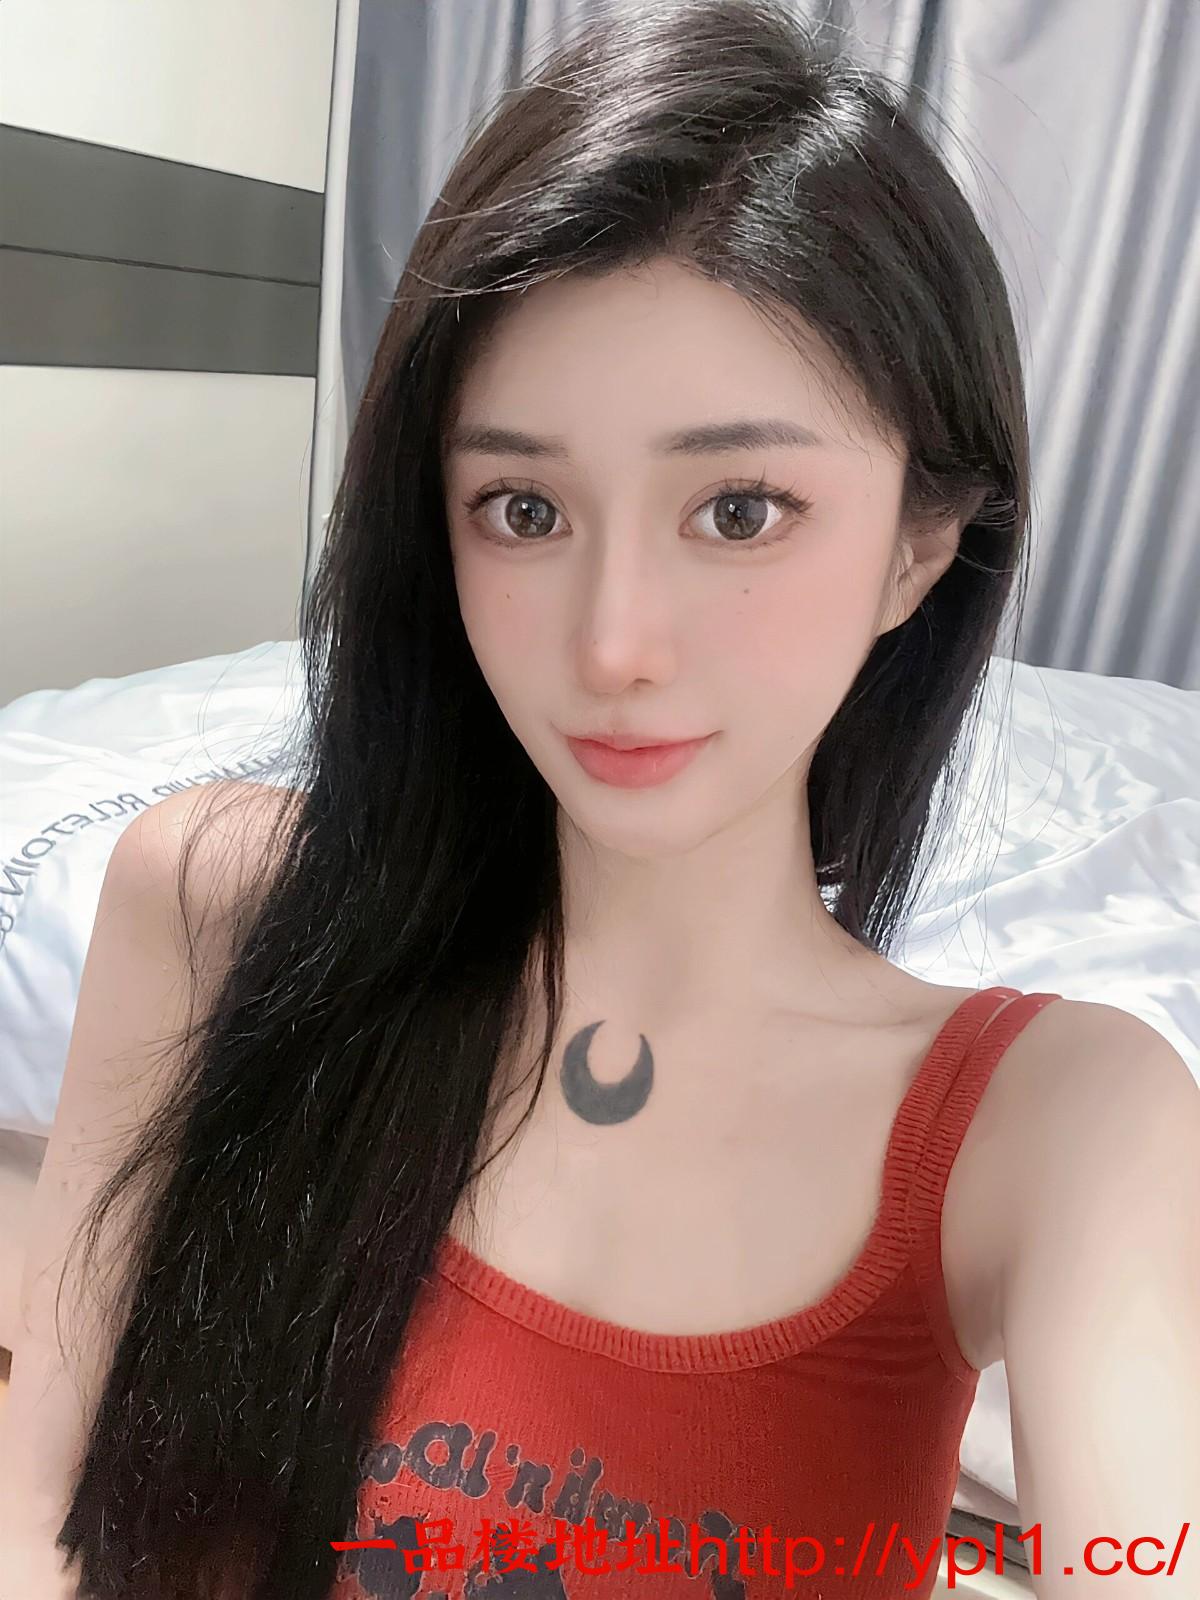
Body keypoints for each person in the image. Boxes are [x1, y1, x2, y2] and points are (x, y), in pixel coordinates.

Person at [2, 1, 1196, 1596]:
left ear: (922, 545)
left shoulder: (1061, 1119)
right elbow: (41, 1516)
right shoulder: (214, 907)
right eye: (523, 507)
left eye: (741, 509)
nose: (613, 643)